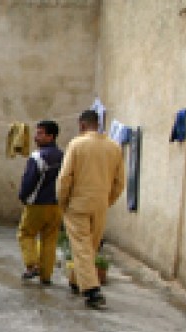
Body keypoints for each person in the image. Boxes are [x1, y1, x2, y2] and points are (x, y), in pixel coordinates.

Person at [56, 110, 125, 309]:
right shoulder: (114, 147)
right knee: (90, 247)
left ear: (82, 125)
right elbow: (119, 182)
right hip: (100, 204)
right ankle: (77, 280)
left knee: (81, 247)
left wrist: (63, 201)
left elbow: (64, 178)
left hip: (78, 203)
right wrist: (107, 200)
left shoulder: (77, 144)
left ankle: (92, 290)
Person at [17, 120, 64, 285]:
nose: (36, 137)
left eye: (40, 133)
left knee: (25, 233)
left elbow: (29, 180)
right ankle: (46, 276)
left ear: (51, 136)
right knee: (49, 240)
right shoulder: (63, 156)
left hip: (37, 204)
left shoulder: (37, 157)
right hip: (57, 205)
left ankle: (32, 265)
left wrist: (23, 196)